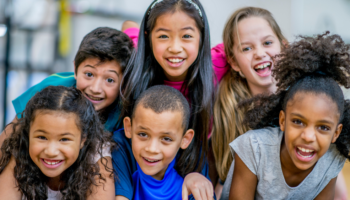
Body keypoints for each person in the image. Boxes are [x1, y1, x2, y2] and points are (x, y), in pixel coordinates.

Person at [115, 0, 219, 199]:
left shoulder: (217, 68)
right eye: (163, 36)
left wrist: (200, 178)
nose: (175, 47)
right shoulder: (134, 61)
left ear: (202, 39)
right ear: (148, 38)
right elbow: (129, 27)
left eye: (187, 36)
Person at [229, 32, 350, 199]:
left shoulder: (332, 159)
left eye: (323, 127)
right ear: (283, 120)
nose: (308, 137)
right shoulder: (253, 148)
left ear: (336, 133)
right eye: (298, 122)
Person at [0, 26, 134, 147]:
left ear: (124, 82)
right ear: (75, 68)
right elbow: (9, 136)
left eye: (109, 80)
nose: (95, 88)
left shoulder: (124, 111)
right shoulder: (50, 89)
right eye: (89, 74)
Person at [210, 7, 287, 199]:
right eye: (247, 48)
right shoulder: (226, 113)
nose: (260, 53)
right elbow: (220, 182)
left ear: (284, 48)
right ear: (234, 63)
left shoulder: (307, 101)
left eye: (267, 42)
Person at [0, 86, 115, 199]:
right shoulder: (18, 150)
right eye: (42, 137)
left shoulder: (97, 155)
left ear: (83, 140)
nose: (51, 151)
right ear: (28, 134)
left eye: (64, 139)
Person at [113, 85, 214, 200]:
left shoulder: (191, 182)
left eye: (166, 139)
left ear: (185, 139)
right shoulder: (120, 150)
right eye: (143, 134)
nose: (152, 149)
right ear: (129, 127)